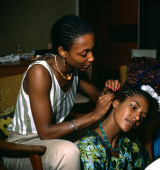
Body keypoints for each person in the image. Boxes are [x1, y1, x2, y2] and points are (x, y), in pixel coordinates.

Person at [3, 15, 120, 170]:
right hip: (24, 147)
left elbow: (97, 97)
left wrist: (107, 93)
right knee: (68, 152)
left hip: (57, 138)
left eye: (92, 50)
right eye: (84, 53)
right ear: (63, 51)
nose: (91, 58)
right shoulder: (40, 72)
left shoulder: (76, 69)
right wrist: (93, 115)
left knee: (108, 127)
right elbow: (45, 133)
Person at [77, 87, 159, 169]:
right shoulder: (90, 146)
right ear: (116, 103)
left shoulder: (130, 142)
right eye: (133, 107)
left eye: (142, 117)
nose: (138, 117)